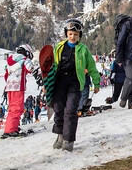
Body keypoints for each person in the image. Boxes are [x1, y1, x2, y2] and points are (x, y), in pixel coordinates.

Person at [43, 18, 100, 151]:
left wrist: (96, 83)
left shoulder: (83, 50)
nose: (73, 37)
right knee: (58, 109)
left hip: (75, 82)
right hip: (60, 81)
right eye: (70, 34)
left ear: (79, 36)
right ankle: (60, 135)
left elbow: (91, 67)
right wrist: (47, 83)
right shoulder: (59, 47)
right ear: (66, 34)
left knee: (71, 111)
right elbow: (52, 66)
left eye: (75, 34)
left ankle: (69, 140)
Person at [2, 44, 34, 138]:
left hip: (10, 87)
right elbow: (30, 68)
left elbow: (6, 75)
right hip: (18, 87)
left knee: (12, 108)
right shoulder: (24, 59)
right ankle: (10, 130)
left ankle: (12, 126)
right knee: (17, 108)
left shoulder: (10, 60)